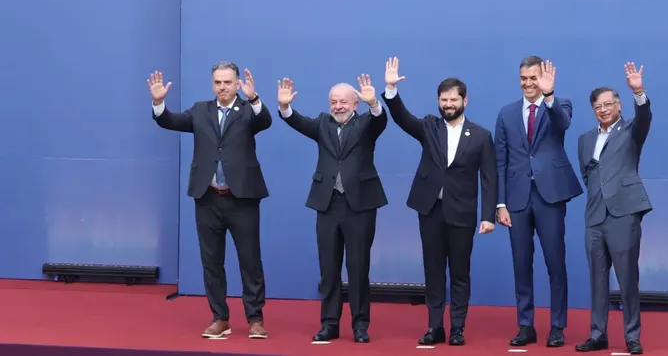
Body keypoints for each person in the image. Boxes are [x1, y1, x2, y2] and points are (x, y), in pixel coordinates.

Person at [147, 62, 273, 340]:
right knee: (211, 262)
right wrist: (158, 104)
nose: (222, 87)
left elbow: (265, 121)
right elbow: (170, 121)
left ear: (237, 83)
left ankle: (255, 318)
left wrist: (253, 98)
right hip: (207, 198)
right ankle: (220, 318)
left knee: (250, 261)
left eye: (228, 82)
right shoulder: (200, 110)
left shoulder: (248, 111)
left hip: (243, 199)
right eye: (218, 82)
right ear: (212, 84)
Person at [380, 57, 498, 346]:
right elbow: (402, 118)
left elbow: (489, 178)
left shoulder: (481, 136)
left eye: (453, 99)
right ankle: (435, 327)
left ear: (464, 101)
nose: (448, 104)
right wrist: (391, 90)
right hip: (430, 211)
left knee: (460, 273)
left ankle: (457, 328)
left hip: (462, 214)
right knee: (432, 271)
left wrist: (488, 216)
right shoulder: (429, 127)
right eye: (443, 99)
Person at [276, 74, 388, 344]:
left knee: (358, 267)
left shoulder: (366, 124)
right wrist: (284, 108)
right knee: (329, 269)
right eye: (333, 102)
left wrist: (375, 102)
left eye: (343, 102)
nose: (338, 106)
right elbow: (298, 122)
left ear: (355, 104)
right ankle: (329, 324)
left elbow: (380, 120)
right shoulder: (323, 124)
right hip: (327, 204)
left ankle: (360, 325)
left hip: (360, 205)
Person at [495, 57, 583, 347]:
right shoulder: (506, 113)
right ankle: (525, 324)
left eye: (534, 77)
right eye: (524, 78)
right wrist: (500, 203)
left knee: (555, 262)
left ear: (543, 78)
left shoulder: (560, 104)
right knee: (521, 263)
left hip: (550, 195)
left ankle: (557, 326)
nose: (529, 83)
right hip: (517, 198)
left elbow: (563, 123)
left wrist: (549, 95)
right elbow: (500, 161)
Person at [575, 62, 652, 356]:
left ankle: (632, 336)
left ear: (619, 106)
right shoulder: (584, 139)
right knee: (597, 279)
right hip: (595, 216)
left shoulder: (632, 130)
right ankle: (598, 334)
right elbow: (588, 174)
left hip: (624, 213)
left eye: (609, 104)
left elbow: (644, 116)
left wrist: (639, 91)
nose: (604, 109)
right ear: (593, 109)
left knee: (627, 278)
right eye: (598, 106)